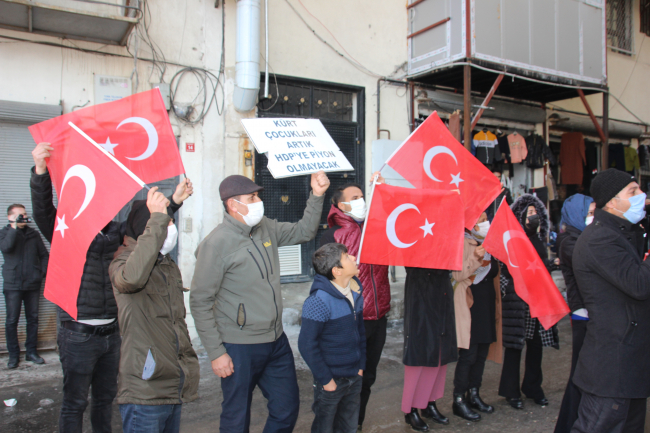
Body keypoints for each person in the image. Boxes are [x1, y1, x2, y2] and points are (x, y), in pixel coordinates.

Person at [31, 142, 187, 433]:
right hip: (78, 333)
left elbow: (144, 224)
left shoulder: (115, 231)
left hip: (112, 332)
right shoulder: (68, 230)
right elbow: (42, 211)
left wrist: (174, 202)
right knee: (75, 402)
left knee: (105, 399)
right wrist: (41, 172)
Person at [190, 171, 330, 433]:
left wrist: (317, 195)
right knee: (236, 417)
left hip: (275, 341)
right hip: (239, 346)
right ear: (233, 204)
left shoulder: (265, 227)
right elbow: (200, 301)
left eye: (257, 196)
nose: (258, 201)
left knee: (286, 408)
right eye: (251, 197)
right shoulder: (216, 244)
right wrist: (217, 352)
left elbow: (305, 230)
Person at [109, 186, 198, 433]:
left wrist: (173, 202)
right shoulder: (123, 262)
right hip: (144, 390)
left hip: (172, 384)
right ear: (146, 228)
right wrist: (158, 218)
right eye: (163, 222)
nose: (170, 228)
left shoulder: (166, 265)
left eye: (169, 221)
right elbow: (132, 279)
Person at [570, 169, 650, 433]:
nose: (643, 196)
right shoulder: (600, 238)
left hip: (631, 364)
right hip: (612, 368)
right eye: (633, 191)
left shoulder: (624, 232)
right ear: (611, 202)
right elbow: (639, 285)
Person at [318, 172, 390, 430]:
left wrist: (382, 189)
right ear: (340, 205)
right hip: (349, 319)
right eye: (355, 198)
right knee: (344, 380)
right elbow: (324, 282)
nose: (361, 201)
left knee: (367, 378)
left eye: (363, 196)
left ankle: (355, 425)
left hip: (378, 316)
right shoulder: (332, 236)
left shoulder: (375, 228)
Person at [498, 194, 558, 410]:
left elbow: (539, 267)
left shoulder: (539, 239)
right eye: (529, 213)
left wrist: (551, 264)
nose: (533, 217)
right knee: (515, 348)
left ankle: (533, 387)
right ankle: (510, 391)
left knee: (536, 346)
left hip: (538, 300)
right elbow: (506, 269)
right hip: (518, 301)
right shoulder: (512, 239)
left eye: (535, 213)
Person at [298, 243, 366, 433]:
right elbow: (306, 344)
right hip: (331, 381)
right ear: (337, 271)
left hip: (354, 376)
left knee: (348, 426)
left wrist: (360, 366)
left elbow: (360, 333)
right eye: (346, 257)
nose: (353, 258)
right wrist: (327, 381)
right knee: (325, 427)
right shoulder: (318, 301)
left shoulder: (355, 292)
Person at [451, 212, 499, 422]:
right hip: (469, 303)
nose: (485, 222)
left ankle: (474, 394)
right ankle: (459, 399)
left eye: (486, 218)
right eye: (481, 219)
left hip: (486, 303)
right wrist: (476, 256)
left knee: (481, 353)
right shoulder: (462, 242)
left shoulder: (490, 243)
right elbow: (458, 275)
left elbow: (495, 271)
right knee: (469, 355)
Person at [553, 194, 595, 433]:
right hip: (582, 314)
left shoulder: (579, 237)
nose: (593, 218)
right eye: (589, 213)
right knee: (579, 375)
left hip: (589, 312)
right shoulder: (569, 241)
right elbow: (590, 260)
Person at [402, 263, 457, 432]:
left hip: (442, 288)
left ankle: (429, 402)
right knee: (419, 352)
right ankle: (410, 408)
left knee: (440, 350)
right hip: (421, 289)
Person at [0, 204, 48, 368]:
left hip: (32, 284)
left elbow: (44, 256)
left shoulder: (33, 234)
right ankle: (13, 355)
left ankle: (31, 352)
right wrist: (14, 227)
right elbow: (6, 248)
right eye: (19, 215)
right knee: (12, 320)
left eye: (25, 214)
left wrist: (40, 274)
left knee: (33, 319)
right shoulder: (5, 233)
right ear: (10, 217)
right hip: (12, 284)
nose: (24, 217)